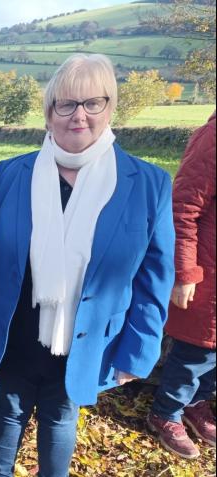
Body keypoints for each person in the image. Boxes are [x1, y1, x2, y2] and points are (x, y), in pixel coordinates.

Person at [0, 53, 175, 477]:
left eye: (92, 102)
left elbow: (156, 278)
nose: (79, 115)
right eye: (66, 104)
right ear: (49, 113)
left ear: (109, 106)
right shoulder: (10, 174)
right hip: (16, 329)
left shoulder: (148, 184)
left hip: (86, 333)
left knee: (61, 417)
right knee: (6, 412)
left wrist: (139, 351)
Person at [147, 111, 216, 459]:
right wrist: (185, 271)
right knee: (196, 351)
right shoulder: (212, 137)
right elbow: (184, 208)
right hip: (210, 272)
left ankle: (197, 404)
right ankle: (166, 412)